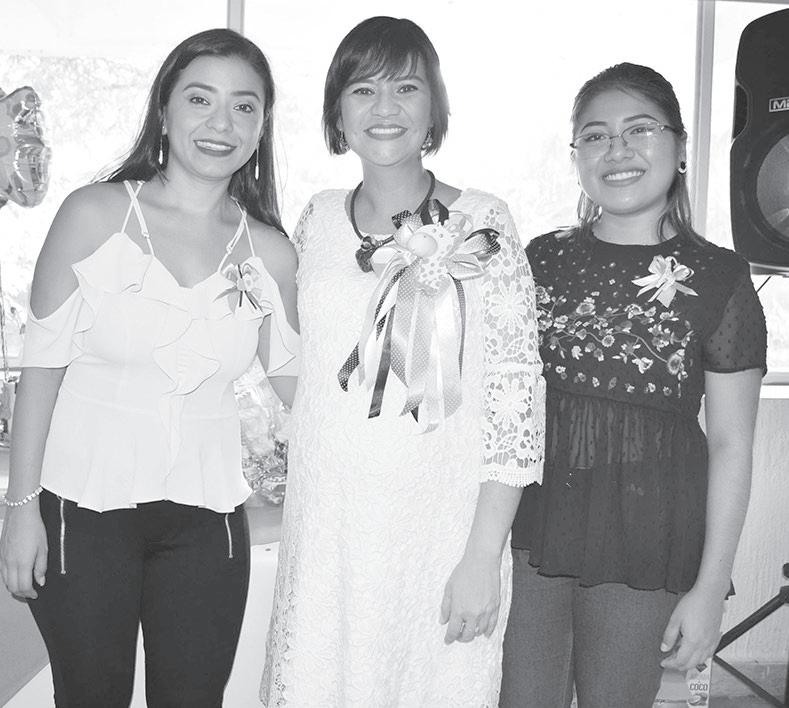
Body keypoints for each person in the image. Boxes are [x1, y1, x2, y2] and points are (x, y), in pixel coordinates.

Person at [0, 28, 299, 707]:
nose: (221, 123)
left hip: (209, 522)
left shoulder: (271, 254)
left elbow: (301, 390)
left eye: (244, 106)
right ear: (164, 111)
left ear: (261, 127)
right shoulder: (93, 214)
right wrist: (20, 512)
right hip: (81, 512)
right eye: (200, 99)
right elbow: (40, 370)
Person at [259, 16, 544, 707]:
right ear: (337, 113)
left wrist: (483, 557)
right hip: (328, 524)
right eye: (362, 90)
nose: (384, 108)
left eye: (406, 87)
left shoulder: (485, 221)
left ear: (433, 108)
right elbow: (299, 363)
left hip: (440, 529)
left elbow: (515, 399)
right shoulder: (316, 218)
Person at [501, 63, 767, 708]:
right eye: (595, 136)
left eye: (640, 130)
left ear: (680, 147)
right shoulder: (539, 259)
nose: (617, 150)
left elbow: (731, 445)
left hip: (646, 543)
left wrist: (710, 589)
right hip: (530, 533)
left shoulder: (721, 278)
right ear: (576, 156)